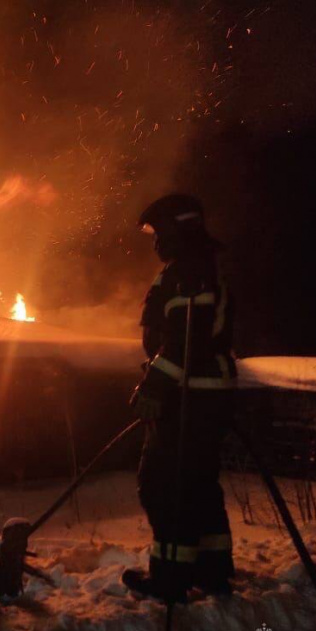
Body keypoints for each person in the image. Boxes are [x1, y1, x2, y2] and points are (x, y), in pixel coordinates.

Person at [122, 194, 237, 603]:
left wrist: (154, 387)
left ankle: (171, 578)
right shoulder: (197, 268)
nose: (154, 243)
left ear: (174, 230)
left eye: (157, 232)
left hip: (192, 396)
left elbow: (186, 340)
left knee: (163, 483)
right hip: (203, 393)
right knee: (197, 483)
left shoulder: (188, 274)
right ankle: (211, 569)